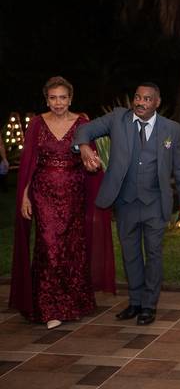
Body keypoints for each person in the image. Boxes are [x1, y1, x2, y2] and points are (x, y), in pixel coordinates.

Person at [73, 82, 180, 326]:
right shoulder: (118, 118)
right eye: (138, 97)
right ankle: (135, 302)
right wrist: (83, 147)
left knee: (154, 254)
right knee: (130, 254)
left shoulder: (171, 129)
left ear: (157, 102)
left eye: (147, 99)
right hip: (125, 202)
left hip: (155, 202)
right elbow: (84, 129)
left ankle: (149, 305)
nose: (140, 102)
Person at [9, 76, 96, 329]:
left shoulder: (82, 123)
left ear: (71, 99)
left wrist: (93, 162)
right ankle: (49, 307)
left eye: (62, 98)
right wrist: (25, 196)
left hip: (74, 193)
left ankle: (73, 303)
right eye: (53, 98)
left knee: (72, 246)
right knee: (48, 246)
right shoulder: (37, 123)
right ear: (46, 100)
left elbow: (90, 158)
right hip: (43, 193)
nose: (58, 103)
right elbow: (29, 163)